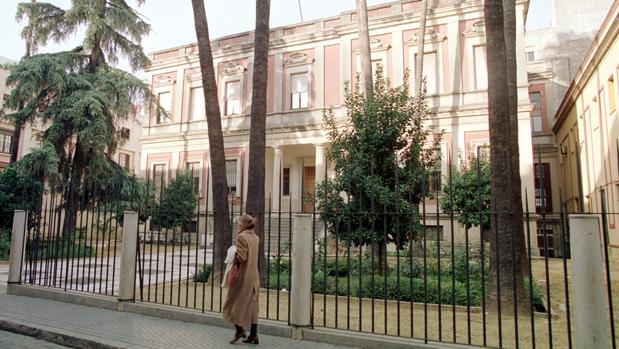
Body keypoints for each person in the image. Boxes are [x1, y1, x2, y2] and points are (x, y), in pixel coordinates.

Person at [223, 214, 260, 344]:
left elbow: (242, 257)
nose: (237, 225)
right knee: (253, 305)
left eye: (239, 223)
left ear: (243, 225)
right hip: (254, 276)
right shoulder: (256, 237)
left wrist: (233, 253)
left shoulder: (241, 236)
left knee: (232, 302)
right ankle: (253, 335)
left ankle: (239, 330)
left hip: (243, 276)